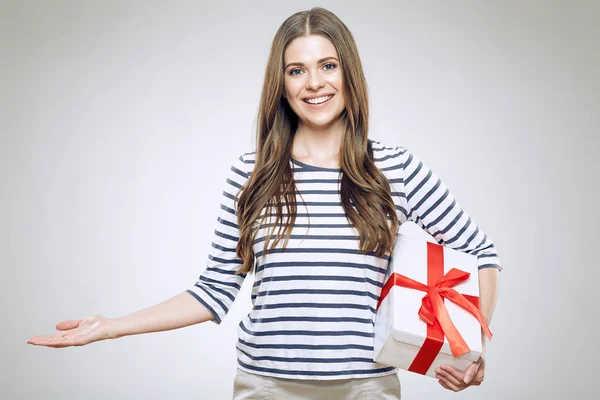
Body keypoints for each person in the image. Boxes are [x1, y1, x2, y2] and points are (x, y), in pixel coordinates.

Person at [27, 7, 502, 399]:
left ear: (349, 72)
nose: (314, 83)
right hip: (265, 387)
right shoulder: (251, 173)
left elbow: (482, 255)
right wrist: (111, 326)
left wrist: (469, 350)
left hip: (367, 386)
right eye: (297, 70)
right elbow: (214, 290)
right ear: (282, 83)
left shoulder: (394, 169)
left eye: (328, 66)